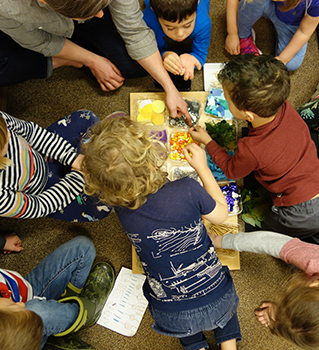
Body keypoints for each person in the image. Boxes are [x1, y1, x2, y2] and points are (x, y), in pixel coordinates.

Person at [81, 116, 241, 350]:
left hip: (171, 315)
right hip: (217, 299)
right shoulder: (186, 188)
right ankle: (229, 347)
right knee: (223, 312)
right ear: (150, 159)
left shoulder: (121, 209)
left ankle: (196, 345)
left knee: (184, 322)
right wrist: (203, 168)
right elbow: (220, 215)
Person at [0, 0, 190, 122]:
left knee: (134, 66)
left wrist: (169, 87)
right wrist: (92, 61)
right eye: (93, 13)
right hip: (18, 22)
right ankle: (62, 61)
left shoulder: (98, 11)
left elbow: (133, 29)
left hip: (63, 17)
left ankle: (73, 50)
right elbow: (38, 41)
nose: (102, 15)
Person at [189, 54, 319, 242]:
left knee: (270, 233)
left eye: (227, 99)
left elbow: (230, 170)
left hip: (299, 211)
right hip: (313, 179)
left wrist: (208, 141)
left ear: (248, 115)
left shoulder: (252, 149)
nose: (224, 99)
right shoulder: (281, 104)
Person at [0, 233, 115, 350]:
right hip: (28, 334)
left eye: (12, 306)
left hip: (29, 288)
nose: (20, 304)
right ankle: (84, 315)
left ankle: (65, 307)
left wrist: (2, 241)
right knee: (34, 309)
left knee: (84, 247)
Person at [0, 105, 111, 221]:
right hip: (45, 191)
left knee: (86, 118)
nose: (9, 134)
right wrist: (77, 177)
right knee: (101, 207)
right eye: (4, 141)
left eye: (6, 130)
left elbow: (32, 133)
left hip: (42, 154)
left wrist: (72, 158)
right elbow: (38, 206)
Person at [209, 230, 319, 350]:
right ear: (313, 283)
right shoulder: (313, 260)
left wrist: (280, 317)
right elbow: (267, 242)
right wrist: (219, 240)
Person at [225, 0, 319, 71]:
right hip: (267, 6)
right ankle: (244, 36)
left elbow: (304, 32)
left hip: (291, 23)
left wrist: (282, 59)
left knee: (291, 64)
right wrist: (232, 33)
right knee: (251, 2)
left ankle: (276, 25)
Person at [143, 0, 211, 82]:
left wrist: (194, 58)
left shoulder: (203, 23)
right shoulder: (147, 20)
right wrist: (164, 55)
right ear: (153, 10)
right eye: (170, 28)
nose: (180, 34)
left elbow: (201, 55)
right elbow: (148, 50)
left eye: (187, 25)